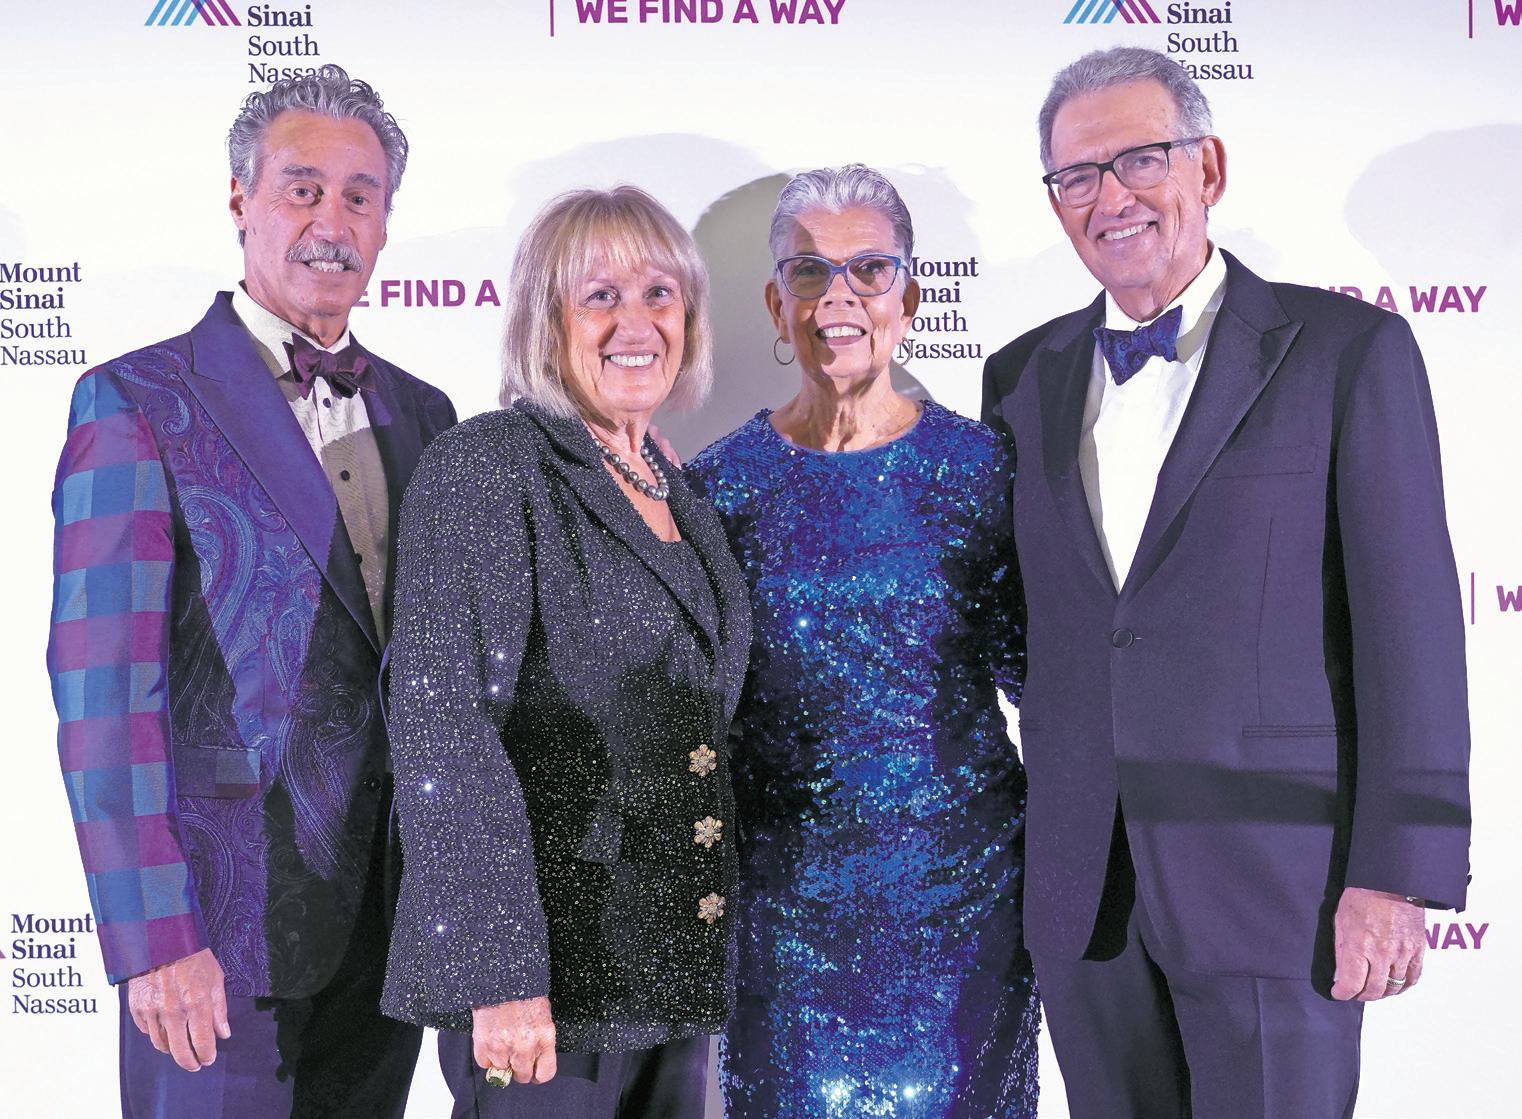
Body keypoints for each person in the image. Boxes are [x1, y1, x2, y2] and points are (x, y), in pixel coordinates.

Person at [981, 47, 1472, 1119]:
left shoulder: (1348, 351)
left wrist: (1394, 873)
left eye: (1140, 159)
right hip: (1084, 895)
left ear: (1206, 168)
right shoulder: (1018, 376)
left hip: (1279, 887)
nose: (1110, 197)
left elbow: (1413, 635)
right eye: (1077, 175)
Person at [45, 65, 455, 1117]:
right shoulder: (137, 399)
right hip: (215, 941)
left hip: (389, 933)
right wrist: (155, 938)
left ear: (386, 220)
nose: (332, 222)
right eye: (302, 189)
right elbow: (102, 696)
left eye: (359, 195)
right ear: (240, 199)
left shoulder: (427, 414)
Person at [380, 185, 752, 1119]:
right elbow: (443, 722)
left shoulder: (675, 486)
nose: (637, 322)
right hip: (545, 987)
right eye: (600, 296)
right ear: (545, 321)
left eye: (660, 293)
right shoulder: (490, 464)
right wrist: (500, 973)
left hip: (669, 968)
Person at [688, 164, 1040, 1119]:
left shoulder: (984, 471)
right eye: (809, 271)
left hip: (964, 909)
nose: (837, 297)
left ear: (908, 298)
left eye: (869, 269)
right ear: (776, 303)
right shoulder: (719, 487)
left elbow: (1048, 683)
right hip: (785, 916)